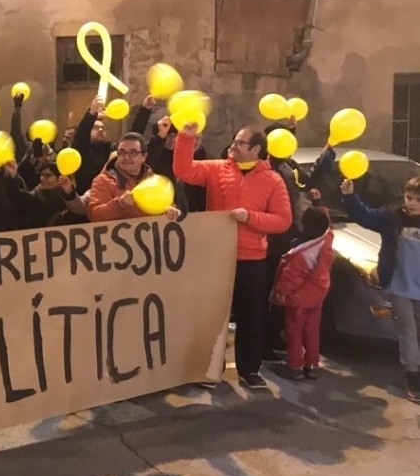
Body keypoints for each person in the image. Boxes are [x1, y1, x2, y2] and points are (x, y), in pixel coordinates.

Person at [173, 123, 291, 390]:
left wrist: (250, 217)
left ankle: (249, 370)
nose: (233, 147)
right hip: (217, 256)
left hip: (252, 260)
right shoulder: (217, 169)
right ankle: (209, 370)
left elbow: (283, 221)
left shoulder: (273, 180)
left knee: (251, 316)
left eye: (240, 143)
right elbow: (183, 170)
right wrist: (186, 137)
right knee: (214, 317)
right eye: (234, 142)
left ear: (256, 149)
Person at [341, 176, 420, 402]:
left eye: (417, 199)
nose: (411, 203)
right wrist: (349, 196)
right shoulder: (392, 218)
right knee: (407, 329)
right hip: (399, 285)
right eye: (409, 197)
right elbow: (365, 215)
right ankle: (413, 375)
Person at [269, 206, 334, 381]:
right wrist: (317, 202)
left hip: (299, 297)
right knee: (312, 330)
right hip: (317, 295)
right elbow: (327, 222)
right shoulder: (326, 239)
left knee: (294, 331)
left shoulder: (302, 252)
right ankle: (312, 364)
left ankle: (294, 365)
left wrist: (281, 292)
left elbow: (292, 277)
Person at [87, 132, 182, 223]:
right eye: (122, 152)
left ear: (144, 156)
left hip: (151, 237)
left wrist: (171, 211)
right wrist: (119, 204)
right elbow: (94, 215)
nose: (126, 157)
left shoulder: (154, 180)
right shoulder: (103, 180)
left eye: (132, 153)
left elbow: (167, 204)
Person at [71, 96, 116, 196]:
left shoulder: (112, 149)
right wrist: (92, 112)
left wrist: (145, 110)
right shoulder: (82, 151)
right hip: (88, 199)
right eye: (95, 128)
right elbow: (81, 135)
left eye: (102, 128)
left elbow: (132, 138)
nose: (100, 130)